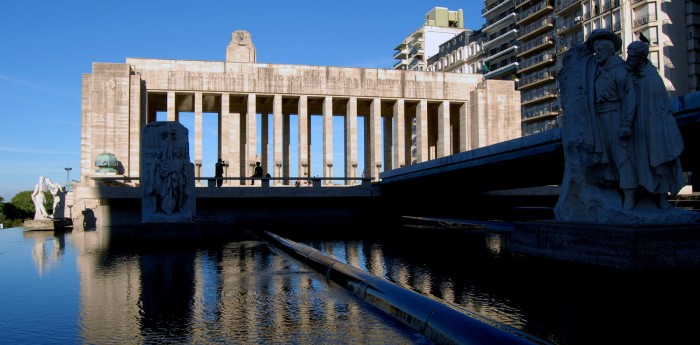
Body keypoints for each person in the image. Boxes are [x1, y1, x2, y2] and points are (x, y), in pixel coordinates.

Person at [626, 40, 685, 208]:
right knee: (637, 161)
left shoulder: (652, 79)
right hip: (636, 128)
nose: (629, 59)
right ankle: (639, 195)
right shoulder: (631, 76)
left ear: (642, 58)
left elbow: (661, 109)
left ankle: (661, 197)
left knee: (658, 159)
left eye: (633, 57)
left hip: (654, 128)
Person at [587, 29, 638, 209]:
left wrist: (626, 123)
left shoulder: (619, 71)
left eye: (599, 50)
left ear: (609, 51)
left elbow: (629, 98)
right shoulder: (596, 72)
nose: (596, 54)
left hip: (616, 115)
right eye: (595, 51)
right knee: (604, 157)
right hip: (600, 118)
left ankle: (630, 195)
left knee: (622, 156)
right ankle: (611, 193)